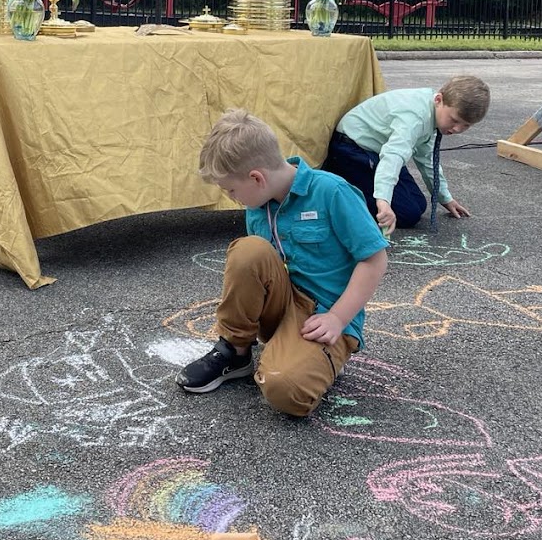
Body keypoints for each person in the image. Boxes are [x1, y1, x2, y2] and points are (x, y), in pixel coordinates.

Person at [177, 109, 389, 416]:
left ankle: (319, 358)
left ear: (257, 178)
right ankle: (235, 352)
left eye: (231, 190)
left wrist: (337, 318)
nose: (232, 197)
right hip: (281, 304)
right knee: (249, 251)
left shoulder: (332, 192)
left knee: (284, 388)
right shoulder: (259, 204)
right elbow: (259, 270)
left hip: (322, 315)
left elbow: (374, 259)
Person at [322, 75, 491, 235]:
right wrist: (383, 201)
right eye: (454, 120)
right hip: (351, 150)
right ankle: (334, 194)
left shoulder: (433, 112)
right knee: (406, 214)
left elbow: (427, 159)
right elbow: (393, 156)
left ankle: (361, 187)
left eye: (466, 125)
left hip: (376, 150)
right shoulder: (414, 117)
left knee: (418, 204)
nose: (457, 129)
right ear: (439, 100)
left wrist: (445, 198)